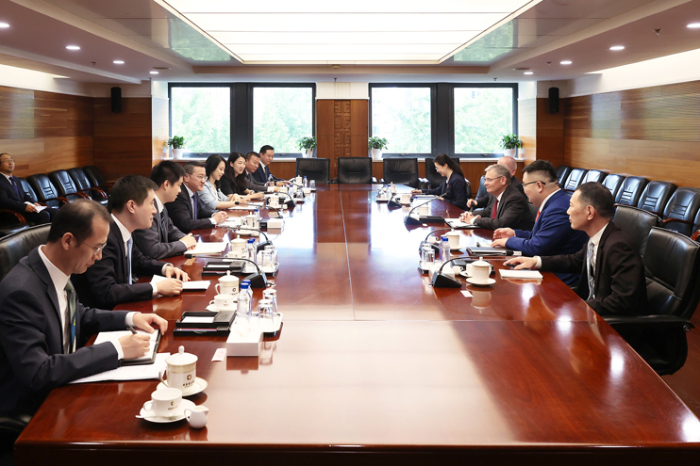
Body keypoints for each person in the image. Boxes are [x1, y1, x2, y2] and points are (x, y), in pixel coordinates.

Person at [0, 200, 167, 416]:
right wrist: (116, 349)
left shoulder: (55, 269)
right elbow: (37, 372)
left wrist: (131, 318)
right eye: (96, 248)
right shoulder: (21, 292)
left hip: (67, 384)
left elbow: (76, 313)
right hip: (38, 408)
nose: (99, 257)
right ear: (68, 241)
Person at [505, 182, 648, 316]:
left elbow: (622, 301)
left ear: (589, 212)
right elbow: (575, 261)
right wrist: (536, 261)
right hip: (592, 313)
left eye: (571, 206)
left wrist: (577, 307)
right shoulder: (598, 237)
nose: (567, 212)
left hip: (612, 325)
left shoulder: (618, 246)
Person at [72, 175, 189, 310]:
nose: (154, 210)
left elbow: (139, 261)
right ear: (132, 206)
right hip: (105, 314)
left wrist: (165, 268)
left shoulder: (123, 230)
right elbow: (106, 291)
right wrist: (156, 287)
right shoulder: (105, 236)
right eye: (151, 203)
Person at [490, 160, 588, 286]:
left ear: (539, 186)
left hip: (559, 280)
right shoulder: (554, 203)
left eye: (525, 185)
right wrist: (514, 233)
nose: (523, 189)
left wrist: (509, 241)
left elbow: (537, 247)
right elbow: (540, 236)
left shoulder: (559, 209)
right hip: (546, 271)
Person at [132, 161, 197, 260]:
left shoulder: (161, 206)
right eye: (179, 185)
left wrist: (187, 239)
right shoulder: (146, 209)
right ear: (166, 184)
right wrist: (183, 244)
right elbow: (153, 250)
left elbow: (170, 229)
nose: (180, 190)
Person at [460, 164, 534, 230]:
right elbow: (488, 211)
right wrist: (470, 215)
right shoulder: (496, 193)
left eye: (489, 180)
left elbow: (501, 224)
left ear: (503, 180)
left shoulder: (515, 198)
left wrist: (473, 220)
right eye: (485, 179)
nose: (485, 183)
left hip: (518, 239)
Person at [165, 162, 228, 233]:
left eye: (205, 177)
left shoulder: (193, 191)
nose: (203, 181)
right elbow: (185, 223)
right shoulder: (178, 194)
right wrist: (213, 220)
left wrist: (215, 215)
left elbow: (200, 212)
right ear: (186, 177)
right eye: (200, 177)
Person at [0, 152, 57, 224]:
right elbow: (4, 201)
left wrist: (34, 203)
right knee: (44, 215)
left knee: (54, 212)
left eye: (11, 160)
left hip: (23, 209)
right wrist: (24, 207)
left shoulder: (16, 179)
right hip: (12, 212)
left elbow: (24, 195)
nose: (10, 163)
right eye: (6, 161)